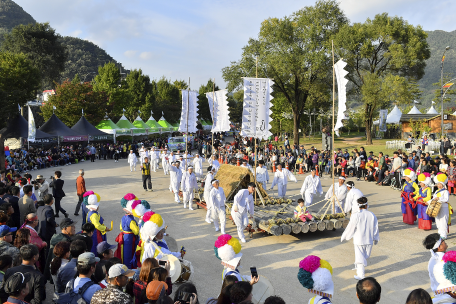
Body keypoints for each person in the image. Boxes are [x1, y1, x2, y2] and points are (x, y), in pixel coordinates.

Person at [341, 197, 379, 280]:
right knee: (363, 257)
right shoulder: (372, 215)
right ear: (366, 205)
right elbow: (375, 228)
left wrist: (345, 236)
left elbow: (350, 227)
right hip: (369, 240)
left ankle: (360, 272)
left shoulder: (356, 215)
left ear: (358, 206)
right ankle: (360, 271)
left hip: (359, 240)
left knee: (361, 257)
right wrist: (376, 238)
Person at [116, 196, 140, 269]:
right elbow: (136, 231)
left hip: (124, 236)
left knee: (124, 253)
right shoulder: (131, 220)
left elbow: (120, 227)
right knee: (130, 253)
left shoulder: (123, 217)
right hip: (130, 238)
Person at [433, 173, 451, 239]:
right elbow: (433, 199)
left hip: (444, 207)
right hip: (437, 207)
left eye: (440, 184)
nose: (439, 185)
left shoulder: (445, 191)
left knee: (443, 221)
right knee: (437, 220)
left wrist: (439, 198)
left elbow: (446, 199)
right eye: (438, 184)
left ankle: (443, 235)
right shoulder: (436, 191)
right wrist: (428, 202)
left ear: (443, 184)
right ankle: (439, 233)